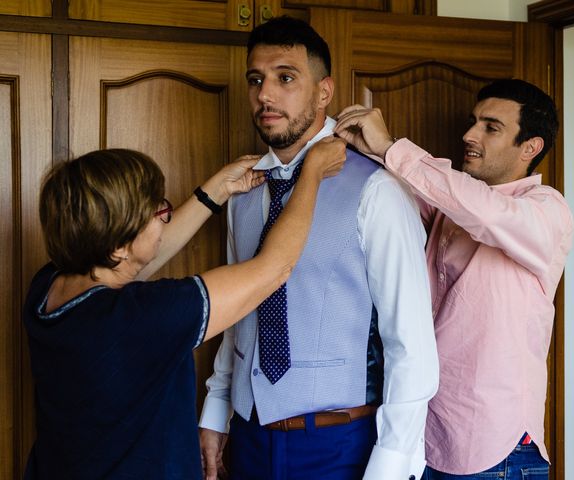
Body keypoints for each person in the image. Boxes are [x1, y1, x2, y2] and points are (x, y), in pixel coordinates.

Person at [198, 15, 439, 480]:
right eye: (256, 80)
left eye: (285, 78)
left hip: (340, 445)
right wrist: (216, 408)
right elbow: (237, 311)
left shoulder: (378, 191)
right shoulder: (242, 191)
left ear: (324, 91)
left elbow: (410, 343)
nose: (265, 95)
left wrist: (390, 466)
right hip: (248, 437)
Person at [23, 141, 345, 480]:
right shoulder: (146, 316)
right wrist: (311, 173)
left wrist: (217, 190)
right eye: (157, 212)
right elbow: (274, 268)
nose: (164, 220)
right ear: (118, 246)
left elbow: (136, 259)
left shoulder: (48, 288)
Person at [334, 79, 574, 480]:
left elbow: (486, 215)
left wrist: (393, 147)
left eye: (490, 127)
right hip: (428, 439)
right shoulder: (452, 207)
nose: (469, 135)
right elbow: (403, 192)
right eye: (473, 122)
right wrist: (365, 149)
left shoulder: (547, 212)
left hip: (496, 451)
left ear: (530, 147)